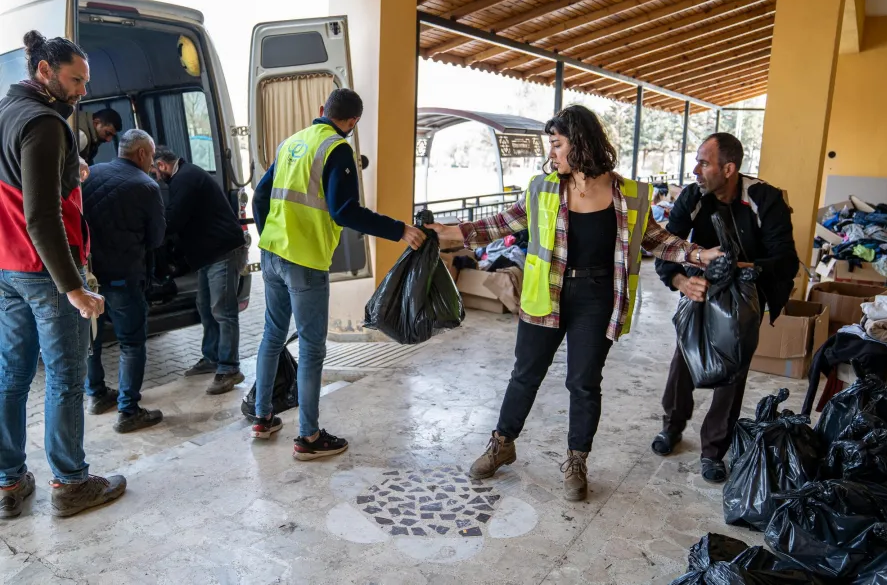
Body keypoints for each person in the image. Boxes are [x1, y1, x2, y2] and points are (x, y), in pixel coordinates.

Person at [426, 105, 722, 501]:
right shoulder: (543, 187)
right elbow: (499, 225)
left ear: (579, 143)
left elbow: (657, 240)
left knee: (583, 383)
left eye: (557, 144)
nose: (552, 154)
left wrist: (700, 256)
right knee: (525, 374)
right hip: (545, 294)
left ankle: (576, 460)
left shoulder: (630, 195)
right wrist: (446, 232)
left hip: (598, 297)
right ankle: (502, 443)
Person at [250, 88, 426, 458]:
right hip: (305, 260)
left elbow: (260, 196)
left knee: (272, 335)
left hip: (271, 253)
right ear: (352, 122)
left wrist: (269, 235)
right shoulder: (337, 149)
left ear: (321, 111)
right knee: (312, 348)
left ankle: (263, 418)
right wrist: (399, 230)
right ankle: (309, 438)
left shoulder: (291, 143)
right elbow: (344, 211)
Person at [0, 30, 126, 519]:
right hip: (47, 271)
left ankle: (8, 483)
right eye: (76, 80)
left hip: (8, 266)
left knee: (11, 377)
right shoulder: (46, 124)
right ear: (45, 72)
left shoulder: (9, 112)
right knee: (65, 378)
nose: (83, 91)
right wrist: (73, 287)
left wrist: (67, 166)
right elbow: (42, 216)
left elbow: (18, 178)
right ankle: (71, 482)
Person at [651, 132, 799, 483]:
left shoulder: (764, 198)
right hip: (699, 285)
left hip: (747, 293)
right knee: (684, 357)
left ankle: (713, 450)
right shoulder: (693, 197)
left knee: (732, 368)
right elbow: (667, 251)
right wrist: (682, 282)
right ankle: (671, 427)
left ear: (728, 168)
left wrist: (738, 269)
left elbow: (786, 260)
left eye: (704, 162)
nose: (695, 170)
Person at [82, 129, 166, 432]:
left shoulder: (91, 174)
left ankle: (97, 395)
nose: (153, 161)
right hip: (123, 279)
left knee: (91, 340)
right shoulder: (146, 186)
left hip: (89, 278)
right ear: (142, 154)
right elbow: (156, 238)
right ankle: (128, 412)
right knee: (131, 343)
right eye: (152, 155)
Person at [153, 147, 247, 395]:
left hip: (223, 252)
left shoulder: (186, 179)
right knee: (205, 306)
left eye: (154, 171)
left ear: (161, 165)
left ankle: (229, 369)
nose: (154, 177)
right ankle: (212, 357)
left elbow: (173, 220)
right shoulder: (185, 175)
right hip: (209, 255)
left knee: (223, 311)